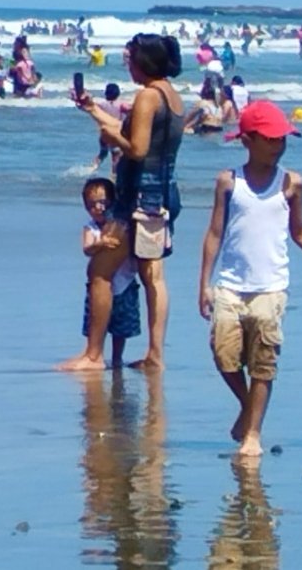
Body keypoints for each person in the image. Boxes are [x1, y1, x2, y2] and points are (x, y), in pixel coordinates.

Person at [199, 100, 302, 456]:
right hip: (230, 284)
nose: (278, 146)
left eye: (282, 140)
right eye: (271, 139)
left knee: (263, 361)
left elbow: (300, 232)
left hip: (271, 288)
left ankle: (253, 434)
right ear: (248, 140)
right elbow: (214, 233)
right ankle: (248, 407)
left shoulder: (291, 183)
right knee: (223, 353)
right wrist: (204, 283)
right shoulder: (229, 182)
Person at [60, 33, 185, 372]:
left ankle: (92, 355)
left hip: (137, 198)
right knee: (152, 275)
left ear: (143, 61)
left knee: (100, 270)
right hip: (163, 194)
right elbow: (132, 130)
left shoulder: (147, 96)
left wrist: (111, 137)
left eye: (129, 59)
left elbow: (136, 148)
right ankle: (155, 354)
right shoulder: (170, 96)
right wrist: (92, 110)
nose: (127, 65)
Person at [79, 178, 142, 368]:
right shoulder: (91, 227)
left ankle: (117, 358)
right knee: (95, 322)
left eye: (103, 203)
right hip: (99, 285)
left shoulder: (120, 225)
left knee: (121, 328)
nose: (98, 208)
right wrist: (100, 243)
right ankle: (94, 351)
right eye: (92, 205)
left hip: (126, 283)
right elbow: (87, 249)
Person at [92, 83, 126, 170]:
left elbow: (91, 107)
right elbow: (130, 110)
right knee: (116, 156)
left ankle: (93, 167)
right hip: (115, 135)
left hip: (104, 134)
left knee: (103, 153)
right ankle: (114, 174)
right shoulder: (121, 105)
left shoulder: (102, 105)